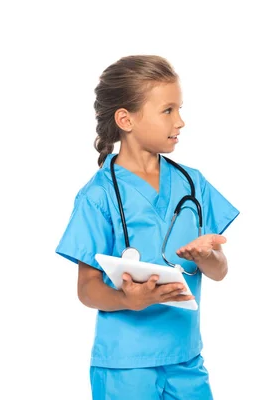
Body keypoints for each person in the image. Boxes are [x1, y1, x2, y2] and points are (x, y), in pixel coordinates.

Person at [56, 55, 239, 399]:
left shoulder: (192, 183)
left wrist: (208, 257)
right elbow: (87, 289)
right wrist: (129, 300)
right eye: (168, 110)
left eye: (179, 109)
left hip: (186, 359)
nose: (181, 121)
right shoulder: (98, 195)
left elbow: (219, 271)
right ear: (126, 119)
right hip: (125, 366)